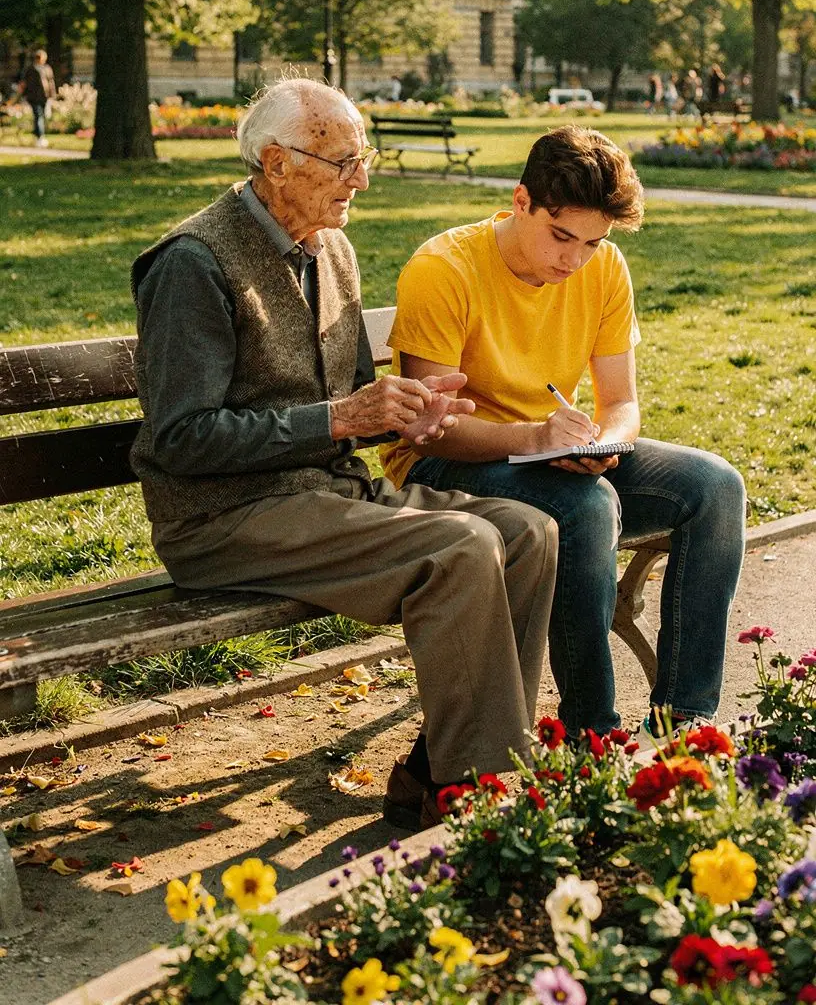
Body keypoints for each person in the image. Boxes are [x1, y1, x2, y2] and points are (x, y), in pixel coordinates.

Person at [130, 78, 558, 826]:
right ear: (276, 163)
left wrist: (407, 417)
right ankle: (485, 805)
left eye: (365, 158)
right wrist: (336, 421)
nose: (362, 178)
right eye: (345, 162)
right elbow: (181, 437)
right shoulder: (192, 263)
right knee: (460, 549)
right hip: (222, 518)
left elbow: (352, 400)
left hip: (324, 496)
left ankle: (446, 767)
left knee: (529, 532)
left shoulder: (331, 249)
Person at [380, 126, 746, 745]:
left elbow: (622, 403)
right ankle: (591, 733)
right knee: (586, 507)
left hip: (553, 452)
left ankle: (686, 718)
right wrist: (532, 439)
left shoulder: (602, 267)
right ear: (521, 201)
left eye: (593, 241)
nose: (574, 259)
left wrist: (604, 444)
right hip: (446, 463)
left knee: (716, 487)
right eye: (561, 235)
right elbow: (430, 431)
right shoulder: (443, 269)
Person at [21, 49, 57, 147]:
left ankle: (38, 136)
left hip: (44, 97)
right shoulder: (30, 69)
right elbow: (24, 83)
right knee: (38, 116)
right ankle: (40, 137)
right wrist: (23, 95)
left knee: (42, 116)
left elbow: (51, 82)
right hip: (33, 96)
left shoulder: (47, 68)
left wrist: (52, 95)